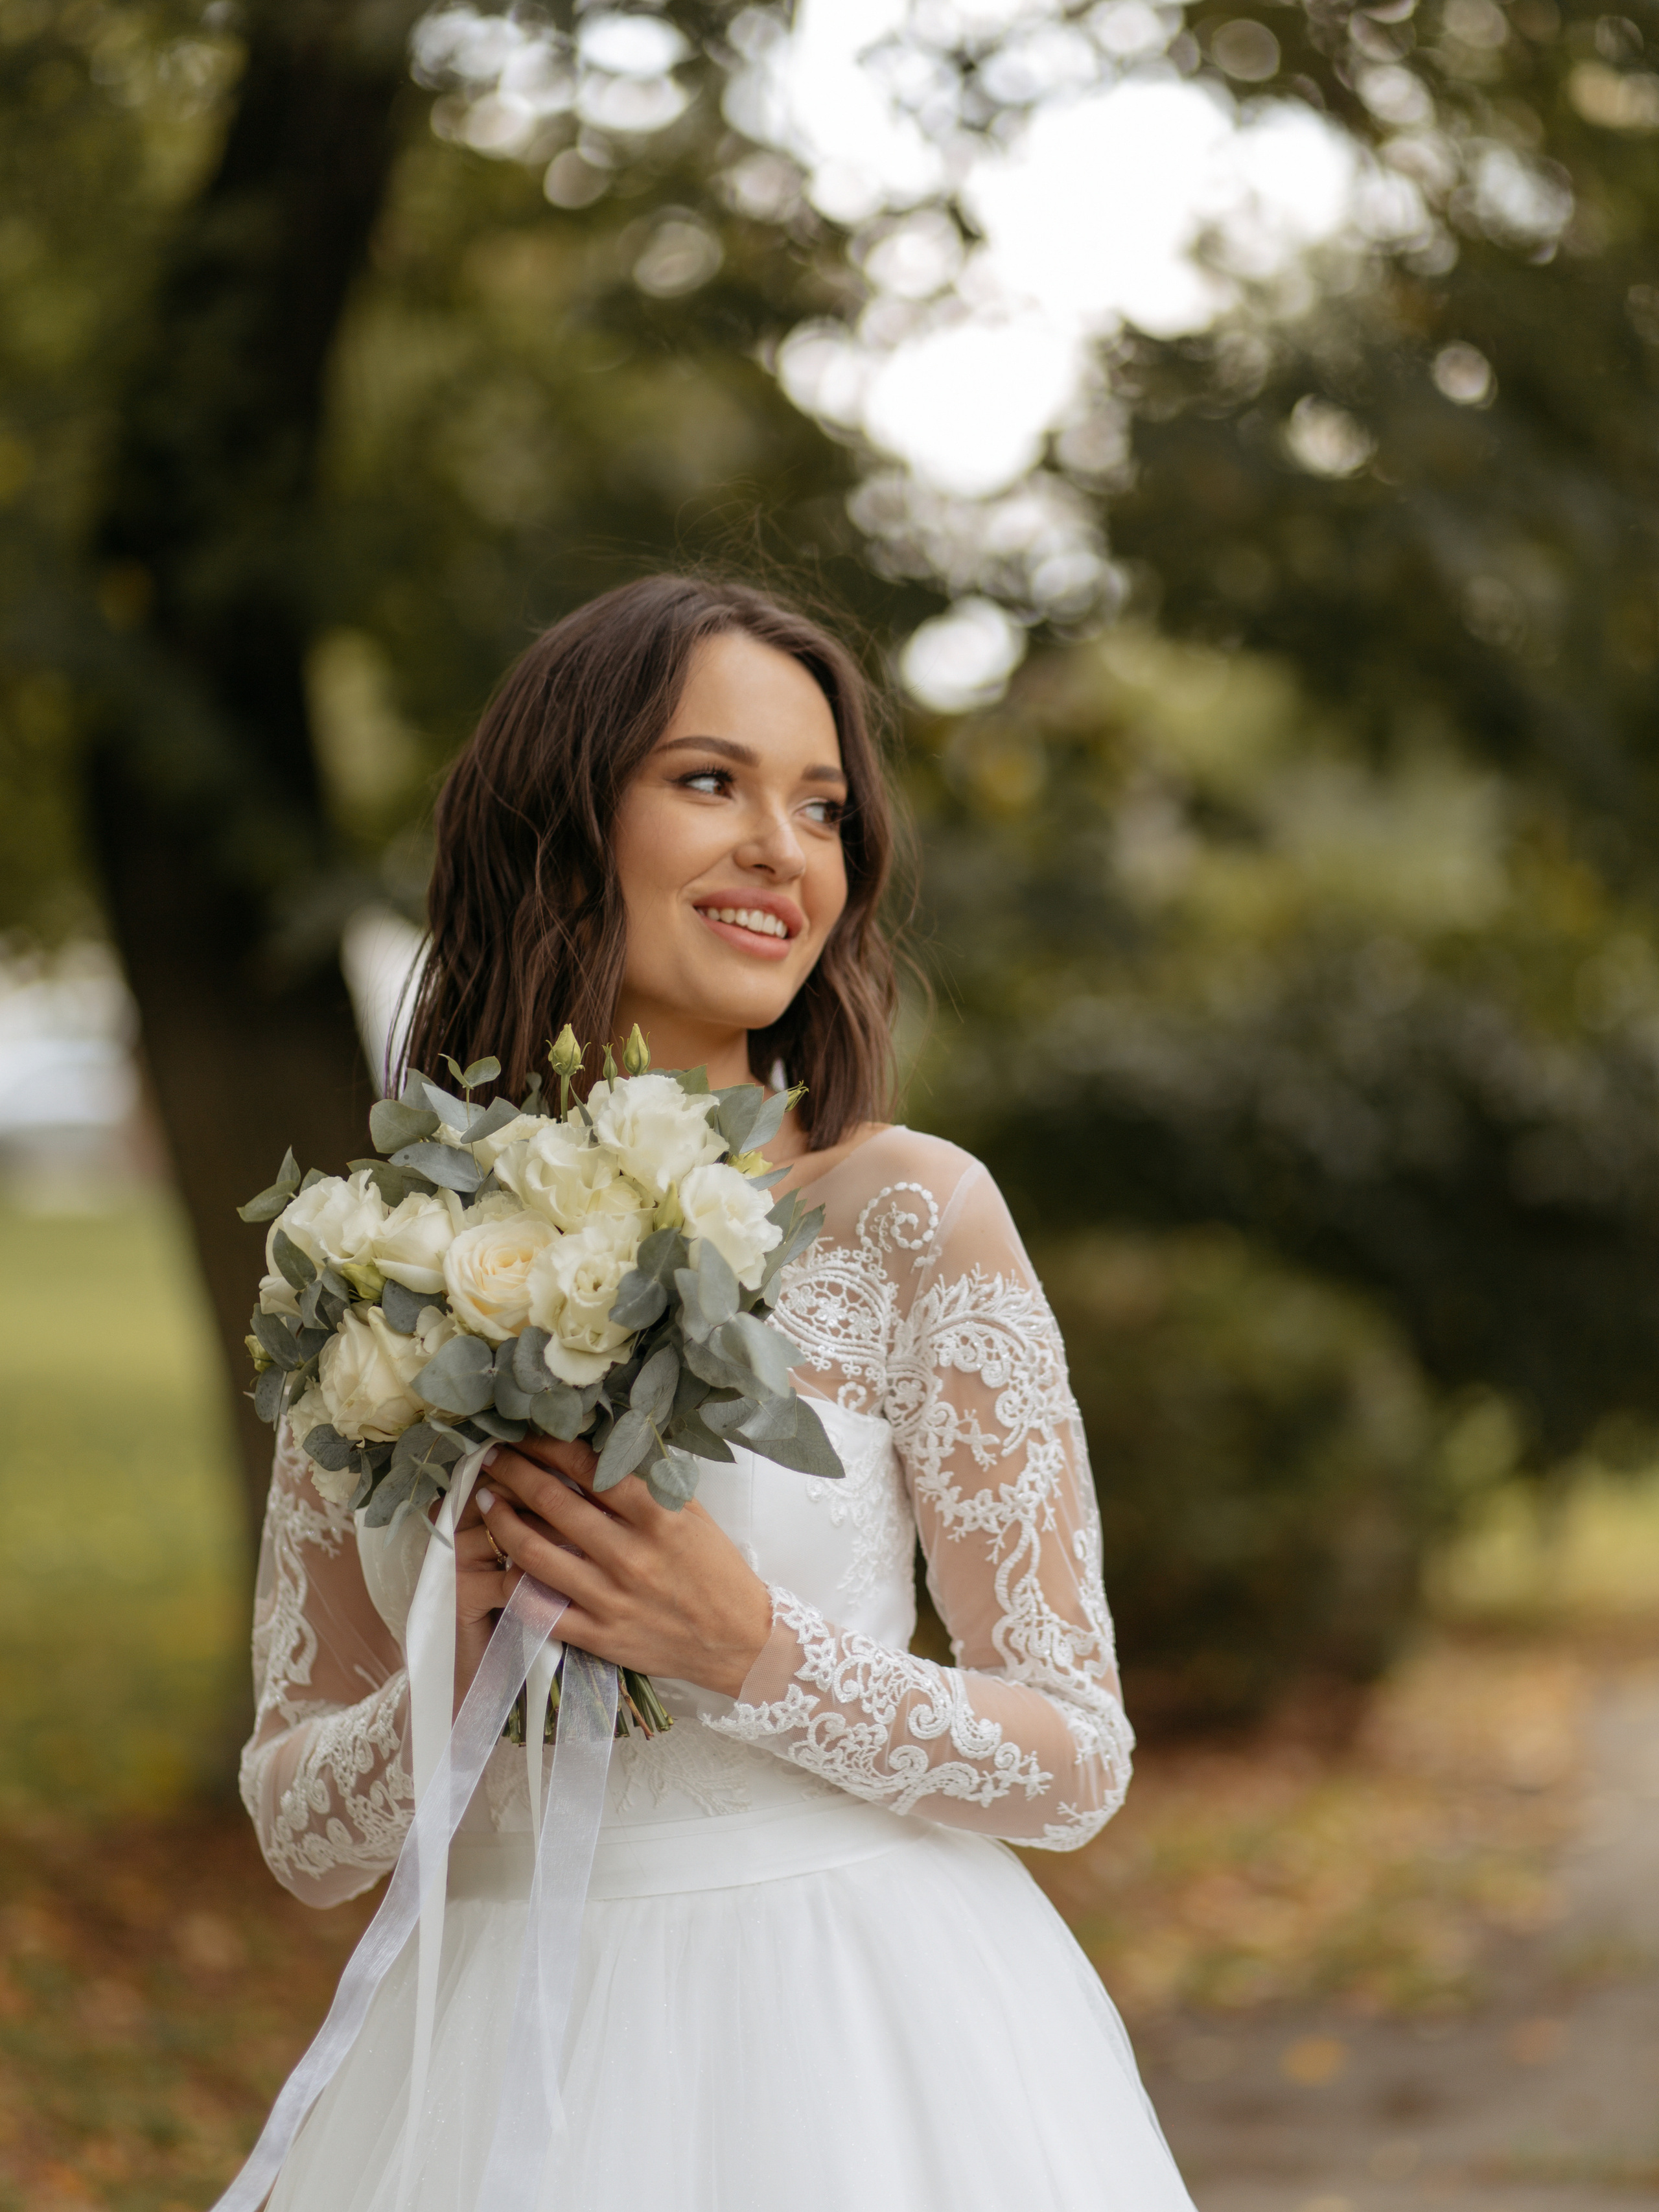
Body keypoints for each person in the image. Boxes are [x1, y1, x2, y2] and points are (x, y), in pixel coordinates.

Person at [238, 575, 1198, 2210]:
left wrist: (752, 1651)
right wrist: (447, 1649)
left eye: (820, 808)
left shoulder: (908, 1216)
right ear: (563, 825)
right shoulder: (382, 1262)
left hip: (852, 2044)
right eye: (709, 782)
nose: (782, 848)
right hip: (473, 2067)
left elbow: (1074, 1754)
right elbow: (301, 1831)